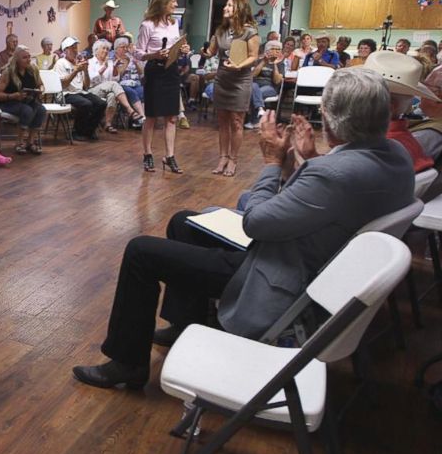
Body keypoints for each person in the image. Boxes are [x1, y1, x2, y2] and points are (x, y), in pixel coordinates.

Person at [71, 67, 415, 390]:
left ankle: (127, 363)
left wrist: (272, 163)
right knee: (183, 223)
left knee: (141, 251)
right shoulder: (395, 155)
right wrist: (306, 161)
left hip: (278, 273)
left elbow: (255, 222)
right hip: (312, 252)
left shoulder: (334, 175)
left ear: (331, 116)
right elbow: (324, 201)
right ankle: (185, 320)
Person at [135, 0, 191, 174]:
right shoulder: (147, 25)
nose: (176, 4)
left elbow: (177, 44)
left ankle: (170, 156)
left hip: (171, 71)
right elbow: (138, 53)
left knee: (171, 117)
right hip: (155, 72)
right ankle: (147, 154)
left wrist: (183, 49)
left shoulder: (174, 24)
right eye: (173, 1)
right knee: (151, 117)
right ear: (163, 2)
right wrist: (155, 54)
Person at [202, 0, 259, 176]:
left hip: (240, 81)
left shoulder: (250, 32)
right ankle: (222, 157)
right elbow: (210, 52)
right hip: (222, 79)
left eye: (229, 5)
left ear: (239, 9)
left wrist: (239, 65)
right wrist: (203, 52)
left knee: (236, 121)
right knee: (223, 121)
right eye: (226, 5)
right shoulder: (220, 31)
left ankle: (233, 159)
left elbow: (253, 56)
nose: (225, 8)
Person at [0, 45, 47, 155]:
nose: (28, 60)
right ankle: (19, 142)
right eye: (24, 57)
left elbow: (41, 85)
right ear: (17, 59)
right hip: (9, 102)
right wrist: (14, 96)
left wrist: (40, 91)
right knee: (27, 110)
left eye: (29, 57)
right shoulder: (8, 72)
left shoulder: (33, 70)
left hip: (27, 101)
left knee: (41, 109)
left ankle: (30, 141)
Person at [54, 37, 107, 141]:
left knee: (101, 104)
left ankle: (88, 131)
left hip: (79, 92)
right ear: (65, 50)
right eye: (72, 48)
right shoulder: (61, 63)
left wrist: (85, 71)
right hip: (65, 93)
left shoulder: (78, 62)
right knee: (86, 104)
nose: (75, 50)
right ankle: (76, 132)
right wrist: (75, 71)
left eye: (76, 48)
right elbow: (63, 85)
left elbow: (86, 86)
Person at [88, 38, 134, 134]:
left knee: (112, 95)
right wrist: (104, 67)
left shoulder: (109, 63)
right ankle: (129, 109)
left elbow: (115, 79)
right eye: (103, 48)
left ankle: (108, 124)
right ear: (96, 50)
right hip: (93, 90)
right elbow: (91, 79)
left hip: (107, 90)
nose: (106, 51)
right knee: (113, 86)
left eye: (107, 49)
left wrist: (115, 68)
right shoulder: (90, 62)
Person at [111, 36, 146, 129]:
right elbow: (118, 76)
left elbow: (141, 73)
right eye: (122, 47)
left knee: (143, 91)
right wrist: (126, 63)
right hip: (122, 84)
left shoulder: (132, 57)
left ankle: (140, 120)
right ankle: (143, 117)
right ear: (116, 49)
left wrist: (135, 62)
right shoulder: (114, 60)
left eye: (126, 47)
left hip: (136, 83)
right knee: (131, 92)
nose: (125, 49)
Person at [248, 40, 283, 130]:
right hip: (255, 85)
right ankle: (259, 112)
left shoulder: (280, 64)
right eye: (273, 49)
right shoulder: (258, 61)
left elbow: (277, 81)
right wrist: (264, 62)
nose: (275, 51)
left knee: (257, 92)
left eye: (278, 49)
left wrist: (274, 64)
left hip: (271, 87)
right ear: (267, 50)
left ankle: (255, 119)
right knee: (254, 87)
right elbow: (252, 76)